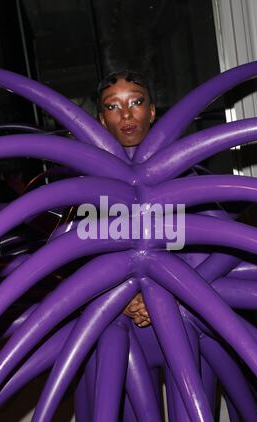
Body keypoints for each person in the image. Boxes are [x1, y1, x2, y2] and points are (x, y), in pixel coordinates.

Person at [97, 70, 156, 327]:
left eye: (136, 102)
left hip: (188, 318)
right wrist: (121, 299)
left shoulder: (186, 175)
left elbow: (217, 250)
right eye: (113, 106)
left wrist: (175, 294)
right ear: (101, 120)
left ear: (152, 111)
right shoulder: (89, 186)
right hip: (117, 326)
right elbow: (71, 257)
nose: (126, 114)